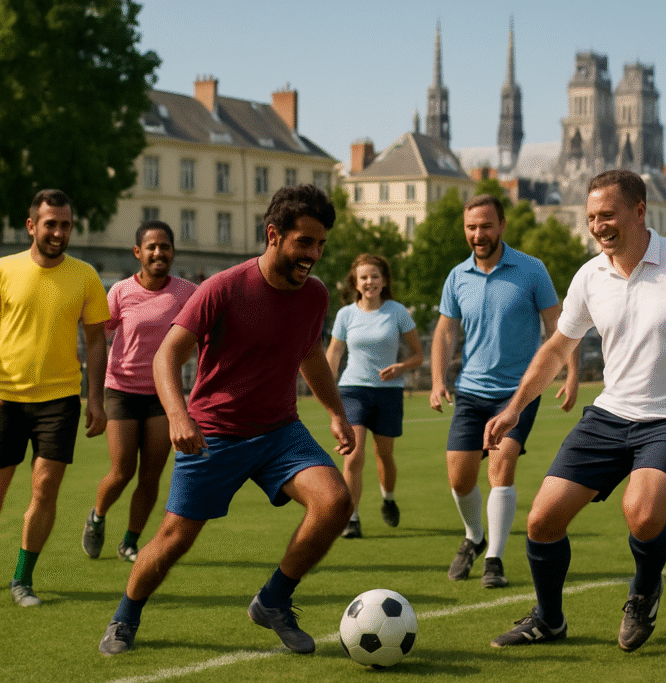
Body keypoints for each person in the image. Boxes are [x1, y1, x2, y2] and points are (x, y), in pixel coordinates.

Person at [486, 170, 666, 651]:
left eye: (608, 214)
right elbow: (557, 348)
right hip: (610, 414)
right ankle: (549, 620)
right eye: (592, 217)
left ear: (639, 212)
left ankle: (644, 589)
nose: (599, 225)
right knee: (541, 521)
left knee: (641, 512)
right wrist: (514, 408)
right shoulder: (591, 275)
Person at [98, 184, 355, 657]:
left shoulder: (314, 295)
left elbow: (311, 356)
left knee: (336, 501)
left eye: (320, 245)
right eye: (305, 243)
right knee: (173, 539)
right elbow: (166, 358)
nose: (314, 255)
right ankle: (124, 616)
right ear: (273, 234)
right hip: (213, 434)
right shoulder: (223, 288)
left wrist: (336, 413)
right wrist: (178, 416)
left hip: (280, 433)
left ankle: (274, 600)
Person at [0, 189, 109, 607]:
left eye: (65, 224)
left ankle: (22, 580)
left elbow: (96, 340)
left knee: (45, 488)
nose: (59, 232)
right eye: (51, 224)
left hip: (60, 401)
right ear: (32, 226)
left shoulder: (85, 276)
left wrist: (94, 399)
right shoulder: (3, 269)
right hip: (4, 398)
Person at [430, 194, 575, 589]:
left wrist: (571, 374)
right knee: (460, 479)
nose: (479, 234)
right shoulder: (457, 276)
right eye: (471, 227)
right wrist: (438, 380)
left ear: (502, 226)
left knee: (501, 465)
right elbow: (445, 331)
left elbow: (558, 325)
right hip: (471, 391)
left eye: (486, 226)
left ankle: (493, 558)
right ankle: (475, 537)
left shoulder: (531, 270)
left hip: (518, 393)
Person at [82, 221, 198, 562]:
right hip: (121, 390)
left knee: (151, 474)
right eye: (151, 247)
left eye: (165, 246)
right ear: (138, 253)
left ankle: (129, 543)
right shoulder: (120, 291)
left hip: (164, 395)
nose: (159, 252)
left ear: (173, 251)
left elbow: (203, 337)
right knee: (122, 471)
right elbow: (98, 339)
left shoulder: (187, 293)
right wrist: (95, 395)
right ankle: (97, 516)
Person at [326, 254, 423, 539]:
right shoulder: (345, 315)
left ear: (384, 281)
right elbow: (334, 352)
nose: (370, 282)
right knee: (353, 457)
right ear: (355, 282)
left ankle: (388, 498)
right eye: (364, 277)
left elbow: (418, 356)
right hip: (353, 391)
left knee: (385, 456)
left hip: (389, 394)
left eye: (375, 277)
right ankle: (351, 518)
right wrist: (327, 388)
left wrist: (401, 367)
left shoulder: (397, 312)